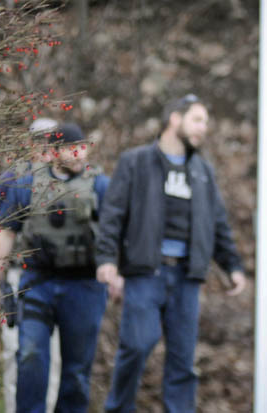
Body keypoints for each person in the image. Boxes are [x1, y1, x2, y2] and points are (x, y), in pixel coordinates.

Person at [96, 93, 247, 413]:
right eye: (197, 120)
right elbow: (112, 215)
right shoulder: (135, 162)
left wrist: (232, 265)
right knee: (137, 345)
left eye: (205, 122)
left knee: (183, 360)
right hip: (145, 272)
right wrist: (108, 259)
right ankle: (118, 408)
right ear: (174, 120)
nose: (203, 129)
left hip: (187, 277)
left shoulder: (203, 172)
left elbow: (217, 222)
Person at [0, 122, 109, 413]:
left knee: (76, 370)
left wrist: (116, 272)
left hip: (84, 286)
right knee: (30, 355)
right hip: (38, 282)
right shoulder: (27, 183)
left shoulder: (100, 185)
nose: (78, 155)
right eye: (70, 149)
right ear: (54, 153)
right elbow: (5, 232)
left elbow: (118, 233)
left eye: (82, 148)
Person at [0, 118, 63, 413]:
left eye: (53, 142)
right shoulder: (11, 180)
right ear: (29, 144)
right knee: (20, 353)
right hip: (15, 279)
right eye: (41, 142)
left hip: (57, 282)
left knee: (54, 358)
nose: (46, 149)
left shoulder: (67, 183)